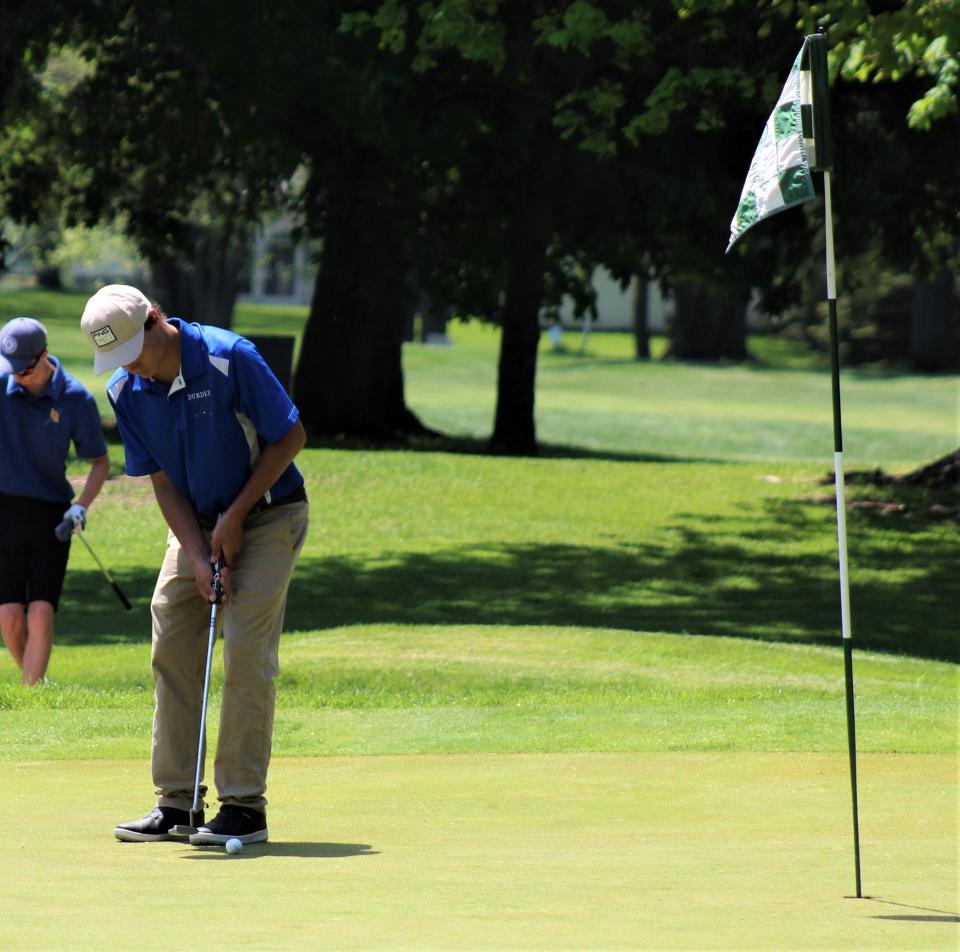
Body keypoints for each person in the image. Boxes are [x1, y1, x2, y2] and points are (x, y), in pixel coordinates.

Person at [80, 284, 308, 846]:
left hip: (271, 515)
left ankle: (244, 807)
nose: (131, 365)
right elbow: (162, 480)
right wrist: (199, 551)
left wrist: (233, 519)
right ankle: (177, 804)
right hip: (196, 523)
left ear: (156, 321)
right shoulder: (125, 389)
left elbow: (290, 438)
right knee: (172, 635)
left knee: (246, 652)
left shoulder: (230, 358)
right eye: (118, 358)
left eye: (135, 349)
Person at [0, 317, 109, 685]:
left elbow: (100, 462)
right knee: (9, 615)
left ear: (44, 356)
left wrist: (80, 507)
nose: (17, 377)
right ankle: (38, 685)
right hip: (4, 509)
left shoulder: (75, 398)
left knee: (41, 609)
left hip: (52, 515)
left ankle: (32, 693)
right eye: (11, 369)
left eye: (25, 370)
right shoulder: (3, 383)